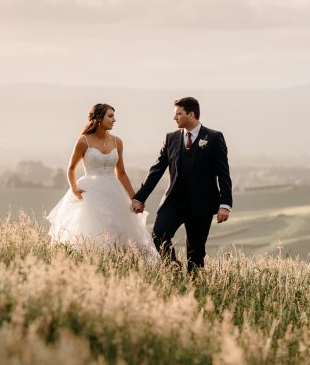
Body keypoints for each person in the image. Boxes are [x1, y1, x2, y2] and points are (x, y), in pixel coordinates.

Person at [131, 97, 232, 272]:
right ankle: (173, 268)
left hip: (202, 203)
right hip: (174, 202)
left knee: (196, 252)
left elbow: (223, 174)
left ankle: (195, 287)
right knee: (159, 234)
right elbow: (156, 171)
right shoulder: (171, 138)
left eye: (178, 113)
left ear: (191, 114)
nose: (174, 118)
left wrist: (225, 204)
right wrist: (140, 198)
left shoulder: (214, 138)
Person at [47, 103, 159, 261]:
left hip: (114, 191)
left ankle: (122, 263)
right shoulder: (83, 141)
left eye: (114, 116)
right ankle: (94, 262)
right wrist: (74, 189)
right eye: (110, 116)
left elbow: (121, 172)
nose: (114, 120)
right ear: (98, 118)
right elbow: (71, 168)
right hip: (90, 192)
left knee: (121, 230)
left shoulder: (117, 142)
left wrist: (135, 198)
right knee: (94, 230)